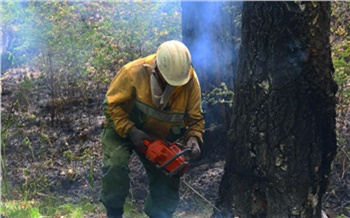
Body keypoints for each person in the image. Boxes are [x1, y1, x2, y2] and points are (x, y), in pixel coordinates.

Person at [99, 40, 204, 218]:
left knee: (168, 179)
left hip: (159, 136)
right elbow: (111, 106)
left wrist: (194, 138)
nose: (176, 85)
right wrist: (131, 130)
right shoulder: (133, 72)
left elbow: (194, 119)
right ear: (158, 68)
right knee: (115, 166)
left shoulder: (190, 82)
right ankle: (113, 213)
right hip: (122, 128)